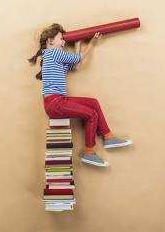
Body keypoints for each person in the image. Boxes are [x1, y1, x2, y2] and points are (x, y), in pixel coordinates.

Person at [29, 23, 132, 167]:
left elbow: (77, 65)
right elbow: (78, 58)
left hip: (58, 101)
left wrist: (77, 44)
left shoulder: (55, 57)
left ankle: (108, 137)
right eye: (61, 39)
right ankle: (89, 153)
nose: (64, 42)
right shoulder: (53, 53)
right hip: (55, 103)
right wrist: (91, 44)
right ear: (50, 41)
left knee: (93, 103)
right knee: (91, 114)